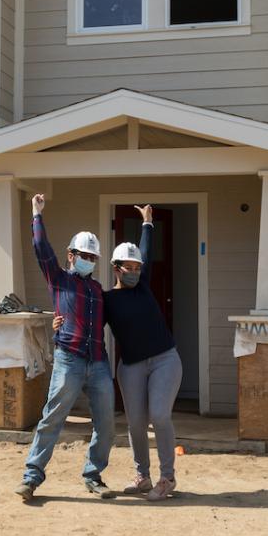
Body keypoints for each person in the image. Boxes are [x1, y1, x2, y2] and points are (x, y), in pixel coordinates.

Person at [66, 204, 182, 501]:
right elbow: (86, 318)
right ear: (115, 268)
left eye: (137, 267)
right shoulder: (107, 300)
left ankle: (167, 478)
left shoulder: (143, 286)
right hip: (130, 366)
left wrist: (147, 223)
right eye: (127, 267)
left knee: (159, 414)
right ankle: (143, 476)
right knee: (135, 423)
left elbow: (144, 247)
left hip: (164, 360)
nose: (133, 271)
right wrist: (61, 320)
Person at [15, 194, 116, 502]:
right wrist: (37, 214)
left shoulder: (99, 291)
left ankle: (93, 475)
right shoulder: (58, 280)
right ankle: (31, 477)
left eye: (93, 257)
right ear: (70, 255)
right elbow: (41, 251)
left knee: (107, 423)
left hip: (98, 362)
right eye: (83, 254)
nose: (89, 260)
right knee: (52, 418)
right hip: (68, 360)